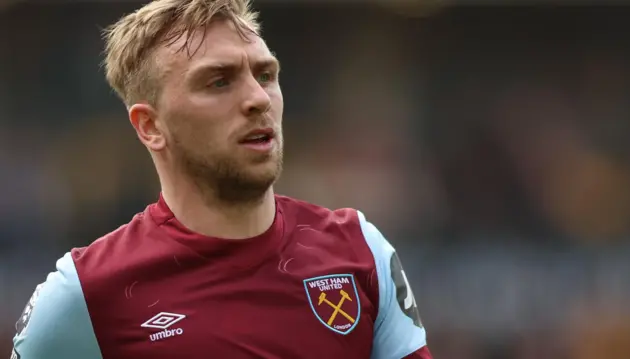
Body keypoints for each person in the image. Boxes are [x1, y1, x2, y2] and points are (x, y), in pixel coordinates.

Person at [10, 0, 432, 358]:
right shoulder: (84, 295)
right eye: (219, 81)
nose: (257, 98)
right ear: (149, 127)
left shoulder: (360, 251)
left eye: (265, 75)